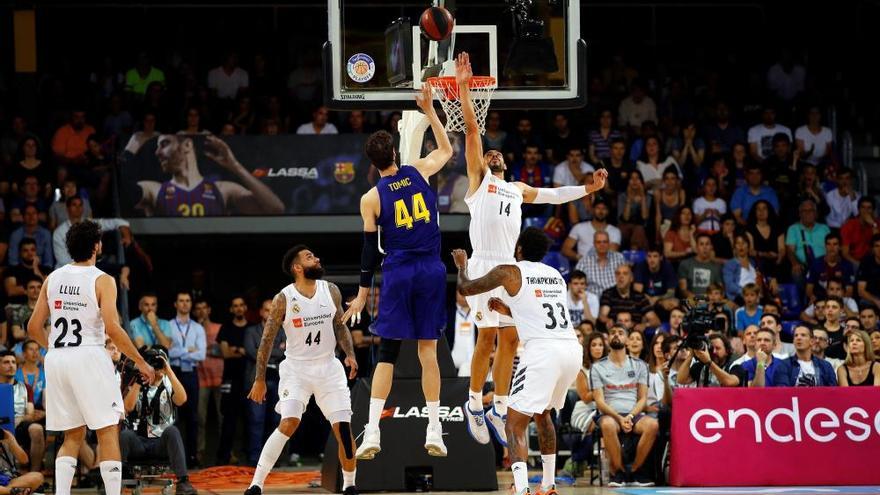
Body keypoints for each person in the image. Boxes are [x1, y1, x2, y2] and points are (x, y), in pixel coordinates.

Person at [452, 53, 607, 448]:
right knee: (485, 339)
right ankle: (473, 402)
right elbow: (472, 130)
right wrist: (464, 87)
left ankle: (499, 407)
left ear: (506, 161)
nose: (492, 155)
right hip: (485, 264)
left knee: (511, 340)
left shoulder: (517, 188)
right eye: (489, 154)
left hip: (510, 269)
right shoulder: (478, 182)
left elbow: (555, 195)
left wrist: (587, 189)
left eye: (496, 154)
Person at [344, 85, 452, 459]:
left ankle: (372, 432)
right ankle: (435, 429)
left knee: (387, 353)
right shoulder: (419, 171)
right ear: (394, 153)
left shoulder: (370, 198)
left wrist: (361, 293)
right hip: (431, 271)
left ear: (373, 164)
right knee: (428, 353)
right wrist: (430, 110)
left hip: (398, 271)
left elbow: (367, 252)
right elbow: (447, 150)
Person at [26, 220, 155, 495]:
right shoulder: (102, 280)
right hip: (88, 355)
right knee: (108, 430)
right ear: (97, 246)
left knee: (72, 435)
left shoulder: (52, 278)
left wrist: (57, 348)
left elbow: (33, 328)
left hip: (58, 358)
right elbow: (112, 327)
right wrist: (140, 361)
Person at [453, 227, 584, 495]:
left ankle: (522, 488)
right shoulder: (556, 276)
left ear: (519, 248)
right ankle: (548, 485)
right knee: (543, 414)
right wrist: (510, 310)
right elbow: (540, 313)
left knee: (513, 424)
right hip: (571, 350)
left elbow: (466, 289)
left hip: (543, 353)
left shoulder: (510, 271)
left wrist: (462, 266)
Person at [244, 246, 358, 495]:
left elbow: (340, 326)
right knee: (289, 423)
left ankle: (350, 485)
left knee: (343, 428)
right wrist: (259, 379)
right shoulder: (283, 298)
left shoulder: (331, 291)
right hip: (296, 369)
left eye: (315, 255)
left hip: (329, 367)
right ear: (297, 268)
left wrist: (349, 354)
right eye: (309, 257)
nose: (316, 258)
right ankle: (256, 484)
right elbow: (266, 340)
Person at [135, 134, 284, 216]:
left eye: (164, 144)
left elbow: (275, 209)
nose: (157, 153)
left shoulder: (222, 190)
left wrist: (236, 166)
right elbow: (124, 196)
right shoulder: (153, 189)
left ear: (187, 145)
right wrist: (131, 149)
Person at [121, 350, 197, 495]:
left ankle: (183, 482)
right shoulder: (138, 382)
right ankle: (119, 478)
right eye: (153, 365)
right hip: (139, 441)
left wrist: (168, 371)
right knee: (125, 435)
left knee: (173, 431)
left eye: (159, 364)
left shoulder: (169, 384)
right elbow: (128, 407)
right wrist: (138, 381)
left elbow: (181, 400)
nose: (157, 368)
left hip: (161, 443)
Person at [589, 326, 658, 487]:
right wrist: (619, 418)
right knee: (607, 424)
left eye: (621, 333)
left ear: (627, 340)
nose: (616, 335)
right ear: (608, 340)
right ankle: (618, 472)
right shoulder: (598, 367)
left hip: (633, 414)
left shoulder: (641, 365)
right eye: (613, 333)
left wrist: (630, 416)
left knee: (653, 425)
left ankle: (633, 471)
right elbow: (599, 401)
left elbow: (642, 399)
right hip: (610, 414)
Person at [244, 300, 285, 466]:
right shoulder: (251, 331)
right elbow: (252, 352)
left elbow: (287, 351)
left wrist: (265, 353)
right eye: (267, 310)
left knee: (276, 420)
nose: (270, 314)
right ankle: (255, 459)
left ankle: (272, 459)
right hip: (257, 379)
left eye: (273, 310)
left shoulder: (284, 331)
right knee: (256, 419)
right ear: (261, 312)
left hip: (278, 379)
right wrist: (277, 351)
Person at [168, 292, 206, 467]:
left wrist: (180, 351)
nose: (184, 304)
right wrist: (188, 351)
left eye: (187, 301)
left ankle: (191, 458)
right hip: (173, 372)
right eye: (181, 301)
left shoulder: (198, 328)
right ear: (175, 304)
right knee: (172, 417)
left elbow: (201, 354)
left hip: (191, 374)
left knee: (192, 417)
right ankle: (173, 459)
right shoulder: (168, 326)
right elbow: (168, 353)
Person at [216, 297, 250, 465]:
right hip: (229, 379)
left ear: (245, 308)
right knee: (228, 419)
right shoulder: (225, 328)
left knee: (249, 419)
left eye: (241, 305)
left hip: (248, 380)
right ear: (231, 309)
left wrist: (237, 349)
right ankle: (224, 457)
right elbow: (225, 353)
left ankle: (248, 457)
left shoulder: (251, 329)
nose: (238, 308)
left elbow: (253, 352)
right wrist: (242, 351)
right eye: (235, 306)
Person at [193, 299, 223, 464]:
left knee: (222, 417)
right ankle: (199, 453)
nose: (201, 311)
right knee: (200, 419)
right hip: (201, 378)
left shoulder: (218, 328)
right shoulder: (192, 329)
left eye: (204, 307)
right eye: (198, 308)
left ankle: (226, 452)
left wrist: (202, 349)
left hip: (219, 377)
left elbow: (222, 350)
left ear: (209, 310)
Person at [676, 333, 745, 387]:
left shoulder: (734, 364)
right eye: (711, 349)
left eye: (718, 348)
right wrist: (691, 355)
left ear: (727, 351)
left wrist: (709, 362)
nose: (714, 352)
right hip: (704, 404)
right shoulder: (701, 365)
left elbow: (730, 382)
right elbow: (681, 380)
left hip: (726, 403)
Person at [575, 231, 627, 296]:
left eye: (605, 242)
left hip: (615, 300)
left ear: (609, 243)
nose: (602, 244)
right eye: (598, 242)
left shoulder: (619, 258)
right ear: (594, 244)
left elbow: (626, 280)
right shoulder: (584, 262)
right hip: (593, 301)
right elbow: (576, 284)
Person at [677, 233, 723, 298]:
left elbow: (720, 289)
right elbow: (683, 290)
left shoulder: (717, 267)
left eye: (707, 244)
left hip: (710, 300)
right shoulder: (685, 264)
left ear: (711, 247)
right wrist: (697, 299)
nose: (705, 247)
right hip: (691, 300)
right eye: (701, 244)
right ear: (696, 247)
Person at [841, 196, 880, 265]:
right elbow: (845, 253)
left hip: (874, 262)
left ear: (873, 210)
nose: (866, 211)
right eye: (863, 207)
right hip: (854, 262)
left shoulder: (877, 224)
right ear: (859, 209)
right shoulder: (849, 225)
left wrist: (873, 224)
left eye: (869, 208)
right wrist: (859, 265)